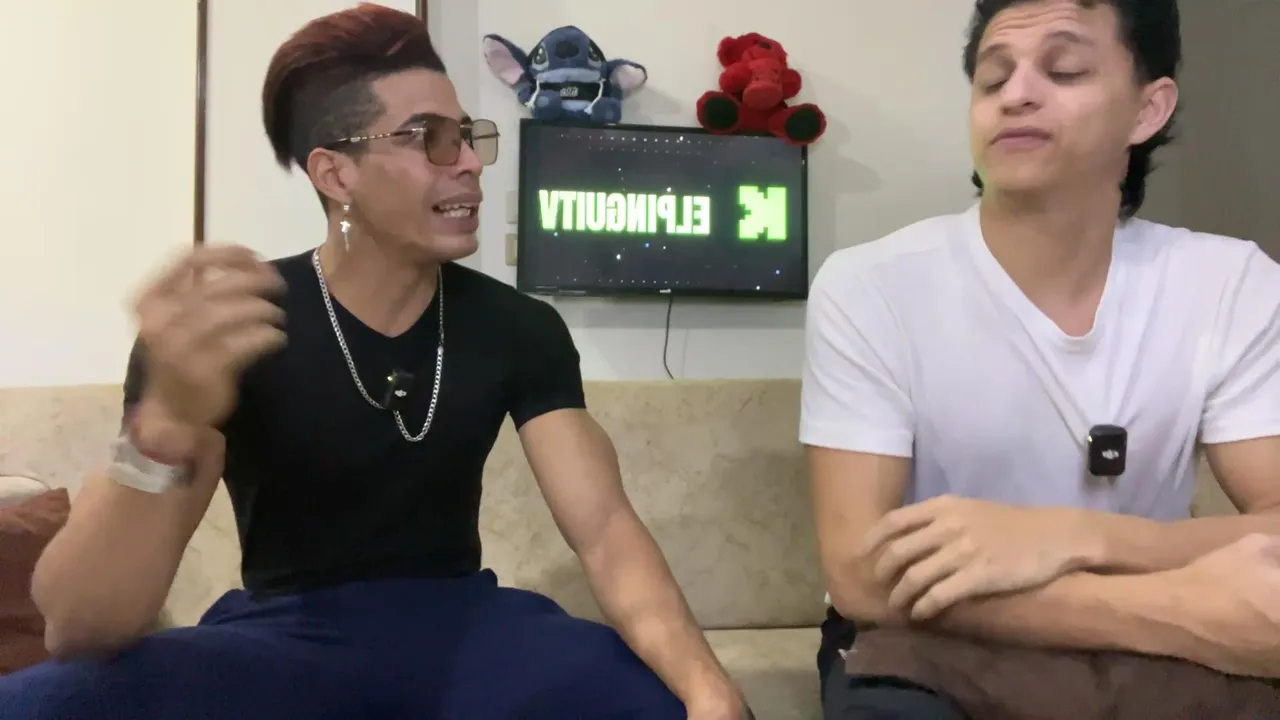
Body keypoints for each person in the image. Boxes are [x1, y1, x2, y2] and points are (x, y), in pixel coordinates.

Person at [0, 5, 751, 719]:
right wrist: (164, 422)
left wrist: (708, 689)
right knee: (41, 705)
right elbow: (80, 627)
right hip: (285, 640)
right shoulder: (232, 323)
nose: (470, 164)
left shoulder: (521, 327)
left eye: (467, 136)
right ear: (336, 175)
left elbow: (606, 531)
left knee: (663, 700)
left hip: (471, 630)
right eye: (431, 139)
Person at [803, 0, 1280, 717]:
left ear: (1148, 109)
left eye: (1065, 69)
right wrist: (1176, 607)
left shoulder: (1231, 283)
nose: (1017, 94)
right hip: (930, 643)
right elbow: (861, 576)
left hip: (1154, 658)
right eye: (993, 79)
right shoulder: (870, 286)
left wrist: (1071, 537)